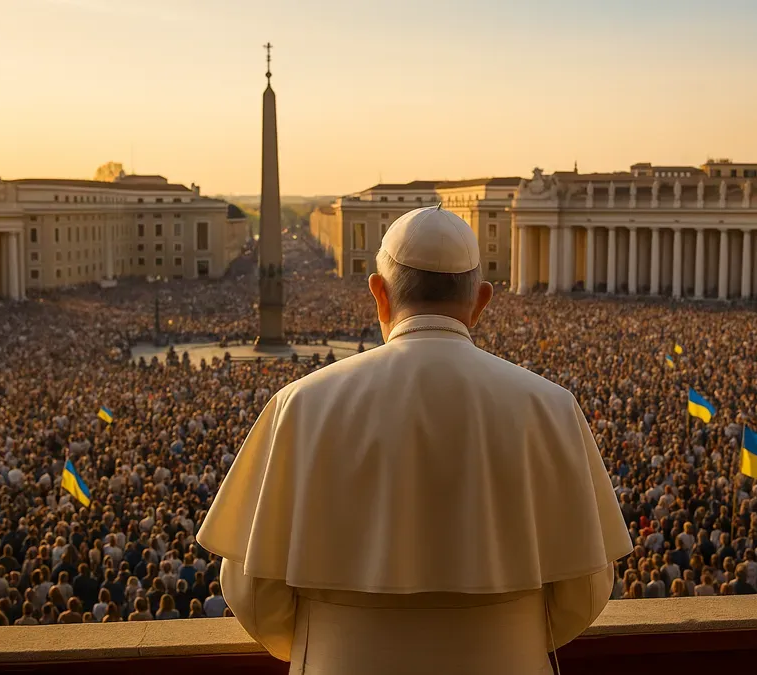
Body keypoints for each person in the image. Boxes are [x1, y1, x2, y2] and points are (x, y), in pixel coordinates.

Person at [197, 206, 630, 674]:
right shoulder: (552, 406)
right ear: (481, 301)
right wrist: (511, 632)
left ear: (378, 295)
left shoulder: (298, 406)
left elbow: (254, 592)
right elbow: (583, 588)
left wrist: (326, 640)